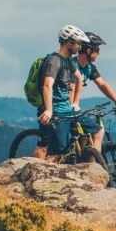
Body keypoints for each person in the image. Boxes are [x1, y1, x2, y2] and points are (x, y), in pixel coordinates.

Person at [34, 25, 90, 161]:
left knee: (85, 134)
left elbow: (79, 78)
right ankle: (41, 179)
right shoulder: (54, 61)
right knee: (55, 153)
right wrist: (48, 110)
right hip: (57, 112)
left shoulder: (68, 60)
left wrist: (75, 103)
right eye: (78, 43)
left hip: (67, 110)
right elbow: (47, 85)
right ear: (68, 42)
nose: (80, 46)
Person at [73, 32, 116, 152]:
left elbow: (102, 84)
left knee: (85, 135)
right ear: (88, 50)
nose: (99, 53)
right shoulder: (72, 66)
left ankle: (84, 161)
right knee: (98, 131)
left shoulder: (89, 68)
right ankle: (93, 167)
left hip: (74, 109)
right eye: (97, 49)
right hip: (67, 109)